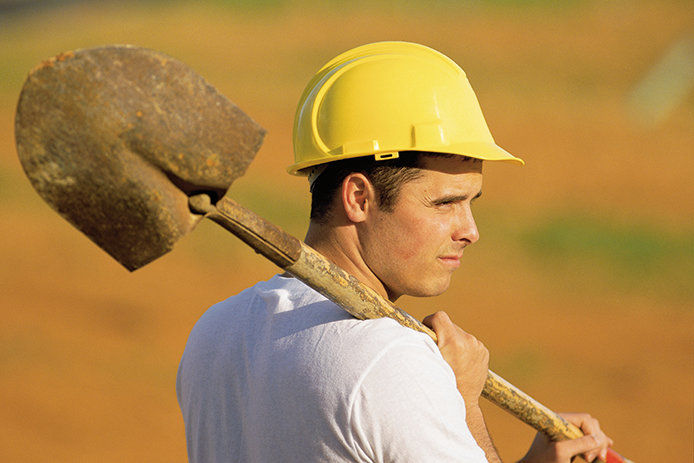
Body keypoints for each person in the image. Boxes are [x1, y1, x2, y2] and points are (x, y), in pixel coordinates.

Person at [177, 41, 613, 462]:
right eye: (445, 203)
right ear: (359, 199)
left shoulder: (214, 332)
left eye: (470, 203)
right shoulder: (392, 362)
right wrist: (462, 407)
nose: (470, 231)